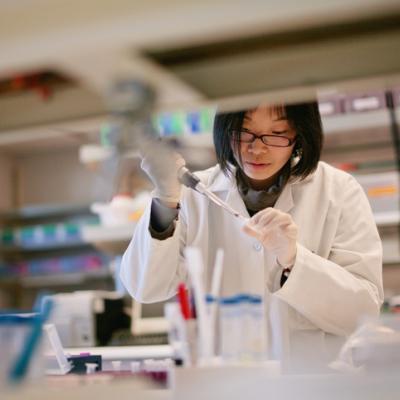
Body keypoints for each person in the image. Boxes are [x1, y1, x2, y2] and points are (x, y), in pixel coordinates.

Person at [120, 102, 383, 371]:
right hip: (227, 384)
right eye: (244, 132)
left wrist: (295, 259)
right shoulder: (193, 194)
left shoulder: (337, 191)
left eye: (277, 133)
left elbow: (362, 314)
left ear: (300, 135)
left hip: (313, 384)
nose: (257, 148)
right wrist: (166, 200)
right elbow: (146, 287)